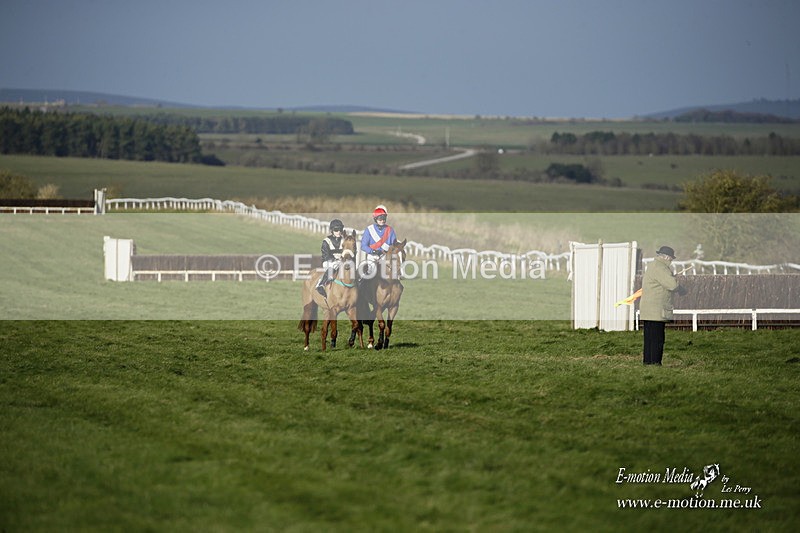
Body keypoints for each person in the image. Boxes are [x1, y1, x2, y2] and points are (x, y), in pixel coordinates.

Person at [639, 245, 684, 366]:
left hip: (648, 310)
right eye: (671, 259)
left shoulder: (653, 266)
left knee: (649, 339)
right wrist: (680, 287)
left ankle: (648, 362)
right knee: (658, 339)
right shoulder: (661, 268)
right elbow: (672, 285)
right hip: (657, 311)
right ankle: (655, 363)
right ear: (667, 257)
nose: (671, 261)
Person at [360, 205, 397, 277]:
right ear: (376, 219)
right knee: (369, 275)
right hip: (372, 256)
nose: (382, 221)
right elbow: (363, 246)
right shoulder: (369, 230)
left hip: (385, 256)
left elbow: (394, 245)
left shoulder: (390, 230)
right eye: (380, 219)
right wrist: (373, 251)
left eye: (384, 219)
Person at [315, 219, 346, 297]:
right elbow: (325, 255)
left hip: (341, 261)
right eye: (336, 230)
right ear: (332, 230)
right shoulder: (326, 241)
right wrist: (335, 259)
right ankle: (321, 284)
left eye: (340, 229)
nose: (338, 232)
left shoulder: (344, 240)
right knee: (334, 265)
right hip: (328, 261)